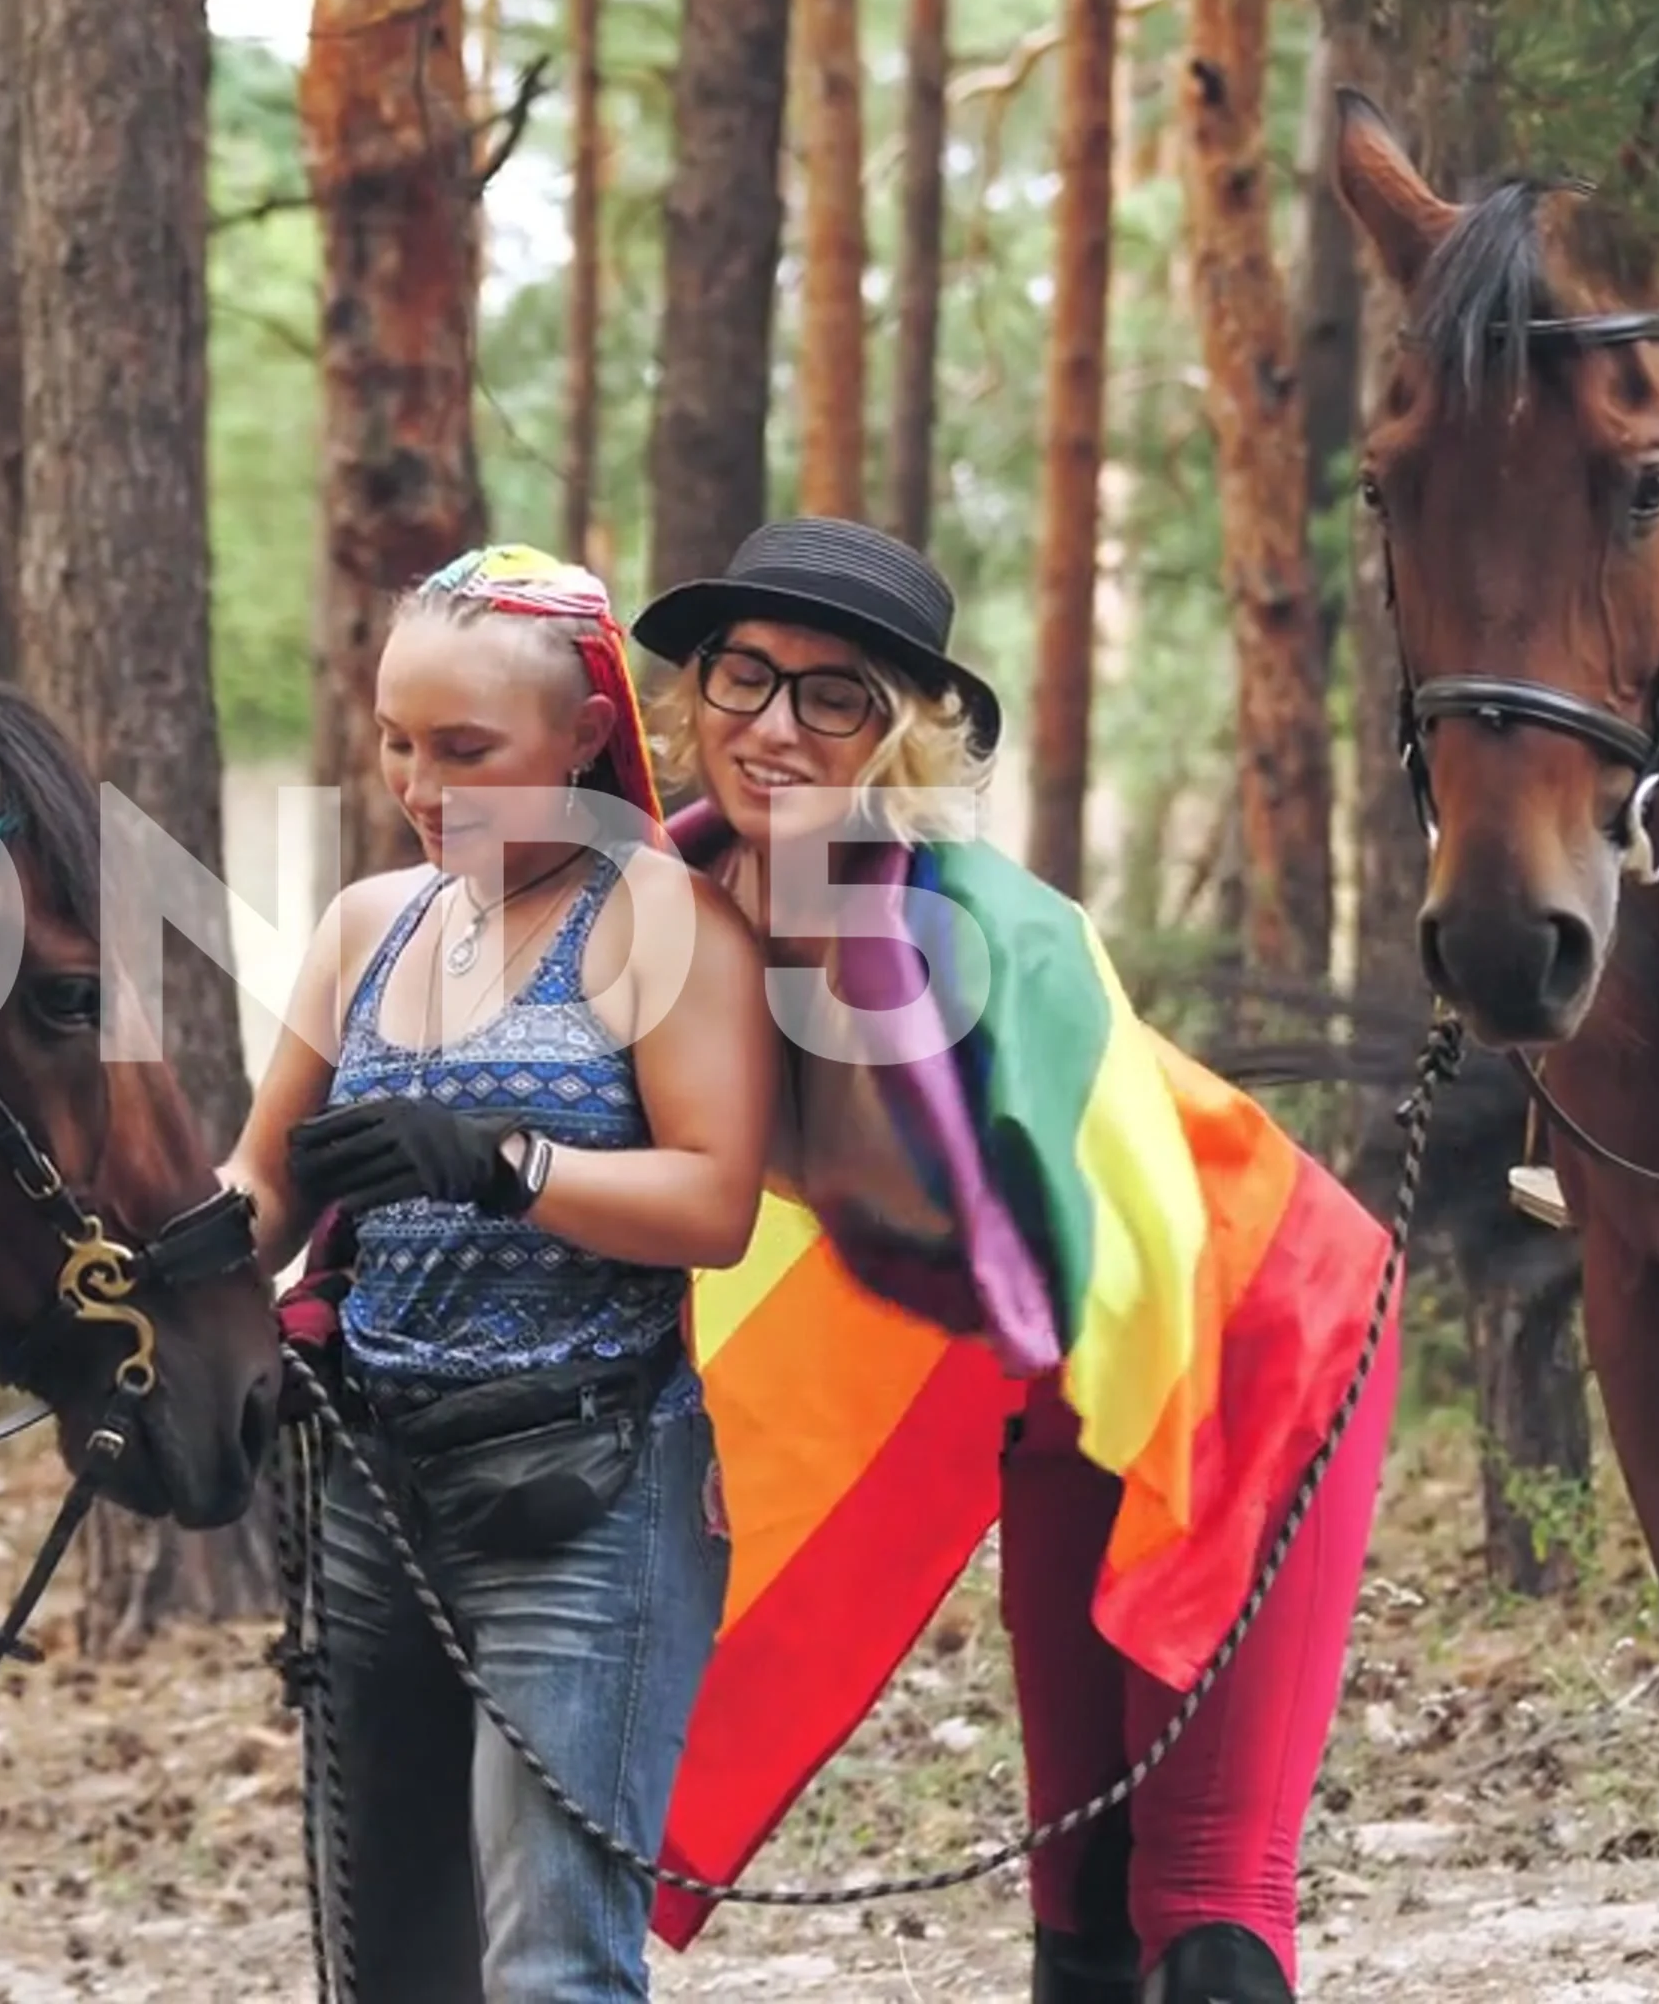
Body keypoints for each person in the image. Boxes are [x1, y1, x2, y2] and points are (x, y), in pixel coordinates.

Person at [626, 517, 1401, 2004]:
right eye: (744, 676)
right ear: (695, 695)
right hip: (1041, 1396)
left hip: (1251, 1335)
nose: (775, 725)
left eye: (834, 693)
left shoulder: (986, 933)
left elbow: (1042, 1225)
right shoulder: (655, 903)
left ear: (899, 740)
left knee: (1204, 1895)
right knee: (1081, 1881)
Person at [224, 543, 776, 2001]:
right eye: (399, 742)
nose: (422, 784)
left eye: (468, 748)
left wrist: (502, 1162)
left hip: (585, 1496)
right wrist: (156, 1266)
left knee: (551, 1968)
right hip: (371, 1495)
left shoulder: (663, 922)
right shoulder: (366, 925)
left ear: (588, 734)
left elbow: (717, 1203)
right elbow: (263, 1182)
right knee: (387, 1958)